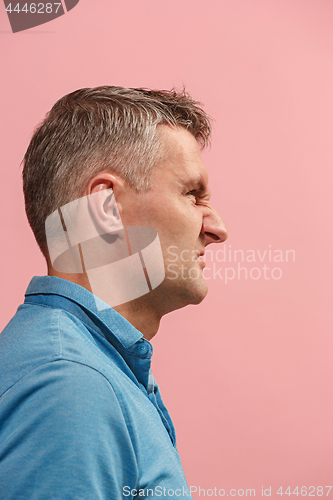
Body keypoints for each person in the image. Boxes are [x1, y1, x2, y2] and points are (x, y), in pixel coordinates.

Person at [0, 87, 227, 499]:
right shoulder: (70, 383)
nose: (217, 229)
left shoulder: (84, 366)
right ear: (105, 206)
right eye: (192, 194)